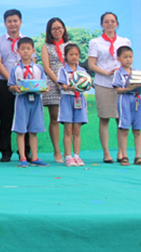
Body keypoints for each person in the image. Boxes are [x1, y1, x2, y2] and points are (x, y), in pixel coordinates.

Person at [87, 12, 131, 163]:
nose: (110, 24)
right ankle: (106, 152)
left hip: (121, 84)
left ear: (117, 24)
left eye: (112, 21)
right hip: (103, 83)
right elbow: (91, 64)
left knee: (121, 119)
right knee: (104, 118)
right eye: (106, 21)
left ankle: (121, 152)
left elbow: (128, 60)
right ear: (102, 25)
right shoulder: (96, 42)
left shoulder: (124, 41)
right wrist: (106, 72)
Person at [0, 9, 33, 162]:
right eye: (9, 21)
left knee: (26, 118)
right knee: (6, 118)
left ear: (20, 22)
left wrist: (25, 81)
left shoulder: (27, 41)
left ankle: (26, 151)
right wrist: (12, 80)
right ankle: (5, 151)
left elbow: (33, 62)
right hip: (6, 84)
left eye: (15, 20)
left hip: (25, 85)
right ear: (5, 23)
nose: (12, 24)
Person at [8, 37, 48, 168]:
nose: (25, 51)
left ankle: (34, 157)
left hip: (36, 101)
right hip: (22, 100)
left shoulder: (38, 68)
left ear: (33, 51)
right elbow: (10, 85)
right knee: (21, 130)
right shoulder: (15, 69)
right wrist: (15, 88)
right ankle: (23, 157)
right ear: (17, 51)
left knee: (33, 130)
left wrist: (45, 89)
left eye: (28, 49)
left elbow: (44, 84)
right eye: (23, 49)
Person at [40, 17, 69, 163]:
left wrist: (68, 82)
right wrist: (58, 81)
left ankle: (69, 152)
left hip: (69, 84)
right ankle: (57, 151)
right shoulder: (46, 47)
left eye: (59, 28)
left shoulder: (70, 45)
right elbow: (46, 67)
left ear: (63, 29)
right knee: (55, 118)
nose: (57, 31)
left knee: (69, 120)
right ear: (49, 31)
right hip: (53, 83)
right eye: (54, 29)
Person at [113, 46, 141, 166]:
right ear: (119, 58)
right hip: (125, 100)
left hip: (137, 100)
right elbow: (118, 90)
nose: (128, 59)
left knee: (137, 129)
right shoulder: (118, 73)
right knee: (124, 129)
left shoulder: (136, 73)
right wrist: (128, 88)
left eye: (130, 57)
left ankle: (138, 156)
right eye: (125, 57)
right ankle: (124, 155)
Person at [56, 43, 89, 167]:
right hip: (67, 99)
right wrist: (68, 87)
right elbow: (62, 85)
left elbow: (87, 84)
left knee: (77, 130)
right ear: (66, 56)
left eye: (76, 54)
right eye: (71, 54)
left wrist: (87, 86)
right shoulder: (63, 70)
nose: (74, 57)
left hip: (79, 99)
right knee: (68, 129)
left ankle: (77, 156)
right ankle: (68, 156)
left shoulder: (82, 71)